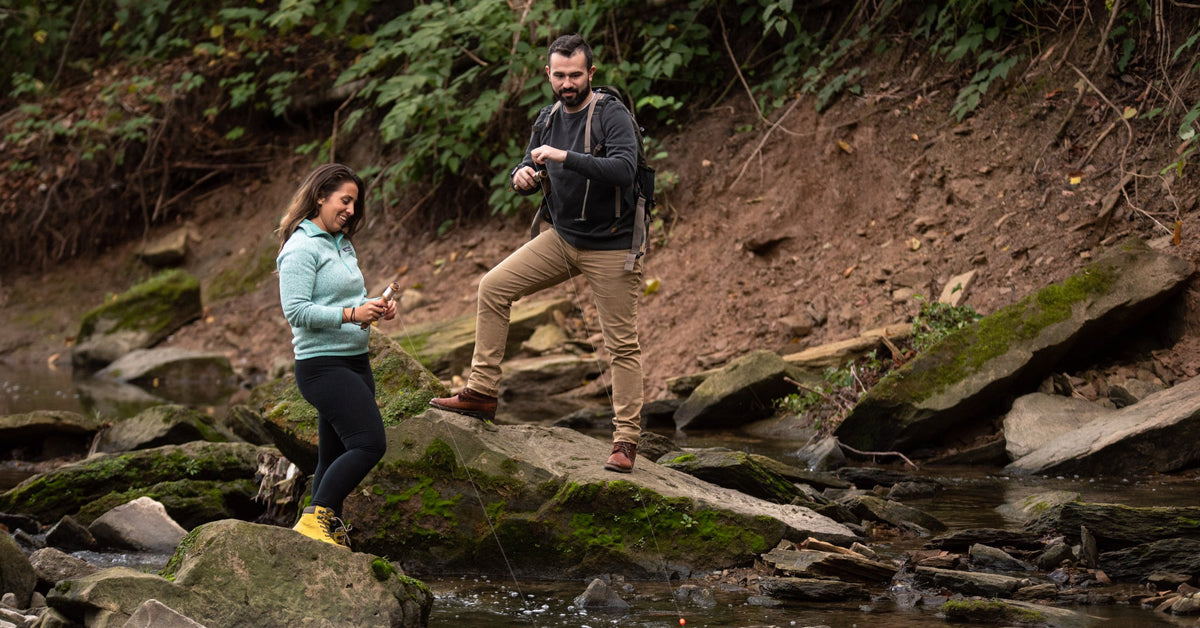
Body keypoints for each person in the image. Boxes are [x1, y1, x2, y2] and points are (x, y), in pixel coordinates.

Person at [430, 33, 646, 473]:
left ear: (591, 73)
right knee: (493, 287)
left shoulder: (612, 113)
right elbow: (527, 162)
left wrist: (565, 156)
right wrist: (522, 175)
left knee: (621, 345)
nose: (567, 83)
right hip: (562, 239)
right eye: (559, 75)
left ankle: (625, 440)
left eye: (575, 75)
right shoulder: (547, 118)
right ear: (548, 74)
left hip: (612, 244)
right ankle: (481, 393)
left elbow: (625, 170)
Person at [276, 163, 396, 547]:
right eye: (345, 201)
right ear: (320, 197)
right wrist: (352, 314)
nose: (350, 210)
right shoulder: (300, 248)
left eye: (354, 204)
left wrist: (373, 307)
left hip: (355, 361)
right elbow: (297, 311)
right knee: (369, 443)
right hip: (322, 367)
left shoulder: (341, 242)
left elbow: (347, 300)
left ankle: (325, 533)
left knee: (334, 455)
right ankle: (315, 518)